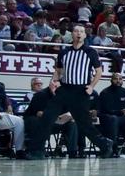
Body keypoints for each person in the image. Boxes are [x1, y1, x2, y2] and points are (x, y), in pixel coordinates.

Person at [25, 25, 113, 160]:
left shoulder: (90, 52)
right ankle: (36, 150)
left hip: (81, 91)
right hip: (64, 89)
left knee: (84, 124)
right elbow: (58, 71)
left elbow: (99, 71)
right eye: (76, 31)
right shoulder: (64, 52)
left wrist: (91, 86)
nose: (79, 33)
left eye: (82, 32)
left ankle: (105, 144)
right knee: (47, 117)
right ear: (72, 34)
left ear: (84, 35)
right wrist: (53, 81)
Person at [97, 73, 125, 155]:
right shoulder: (105, 92)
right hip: (107, 118)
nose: (118, 81)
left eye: (120, 79)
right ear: (111, 80)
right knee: (114, 119)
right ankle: (113, 148)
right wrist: (120, 112)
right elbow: (106, 110)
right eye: (116, 79)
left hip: (123, 119)